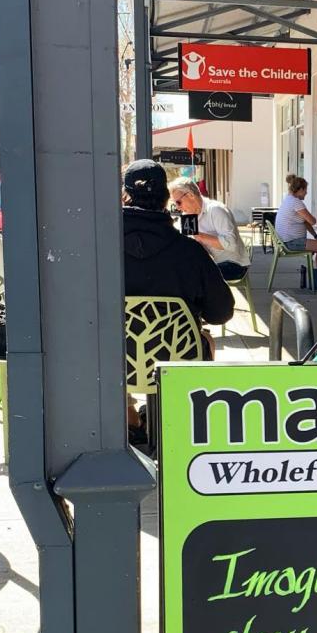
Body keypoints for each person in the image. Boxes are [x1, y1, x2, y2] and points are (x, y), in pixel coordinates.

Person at [122, 160, 234, 439]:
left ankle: (128, 419)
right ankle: (177, 419)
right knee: (204, 339)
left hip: (112, 365)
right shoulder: (190, 252)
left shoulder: (97, 249)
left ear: (125, 198)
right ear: (165, 200)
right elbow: (221, 312)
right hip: (175, 361)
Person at [169, 178, 251, 281]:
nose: (177, 207)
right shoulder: (187, 216)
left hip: (234, 264)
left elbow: (232, 245)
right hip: (209, 263)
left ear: (190, 195)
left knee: (190, 276)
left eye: (178, 202)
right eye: (174, 203)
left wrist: (199, 236)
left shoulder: (216, 210)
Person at [274, 174, 317, 255]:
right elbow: (312, 221)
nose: (306, 193)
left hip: (286, 242)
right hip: (291, 243)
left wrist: (316, 236)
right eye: (306, 190)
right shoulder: (296, 202)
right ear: (301, 189)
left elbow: (305, 222)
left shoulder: (288, 199)